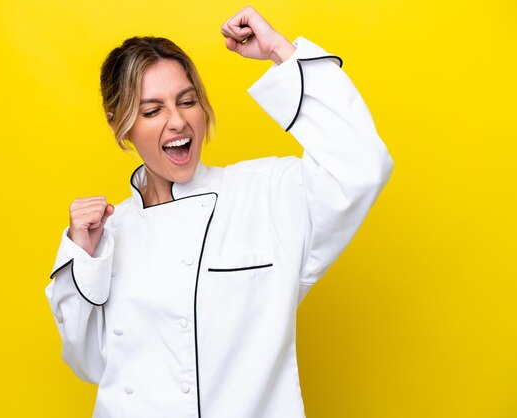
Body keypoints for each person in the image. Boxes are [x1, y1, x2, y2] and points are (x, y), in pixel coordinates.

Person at [46, 6, 393, 418]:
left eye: (187, 101)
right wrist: (81, 259)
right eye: (152, 110)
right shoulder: (109, 233)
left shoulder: (265, 194)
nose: (177, 121)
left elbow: (362, 164)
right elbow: (90, 364)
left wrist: (281, 52)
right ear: (119, 124)